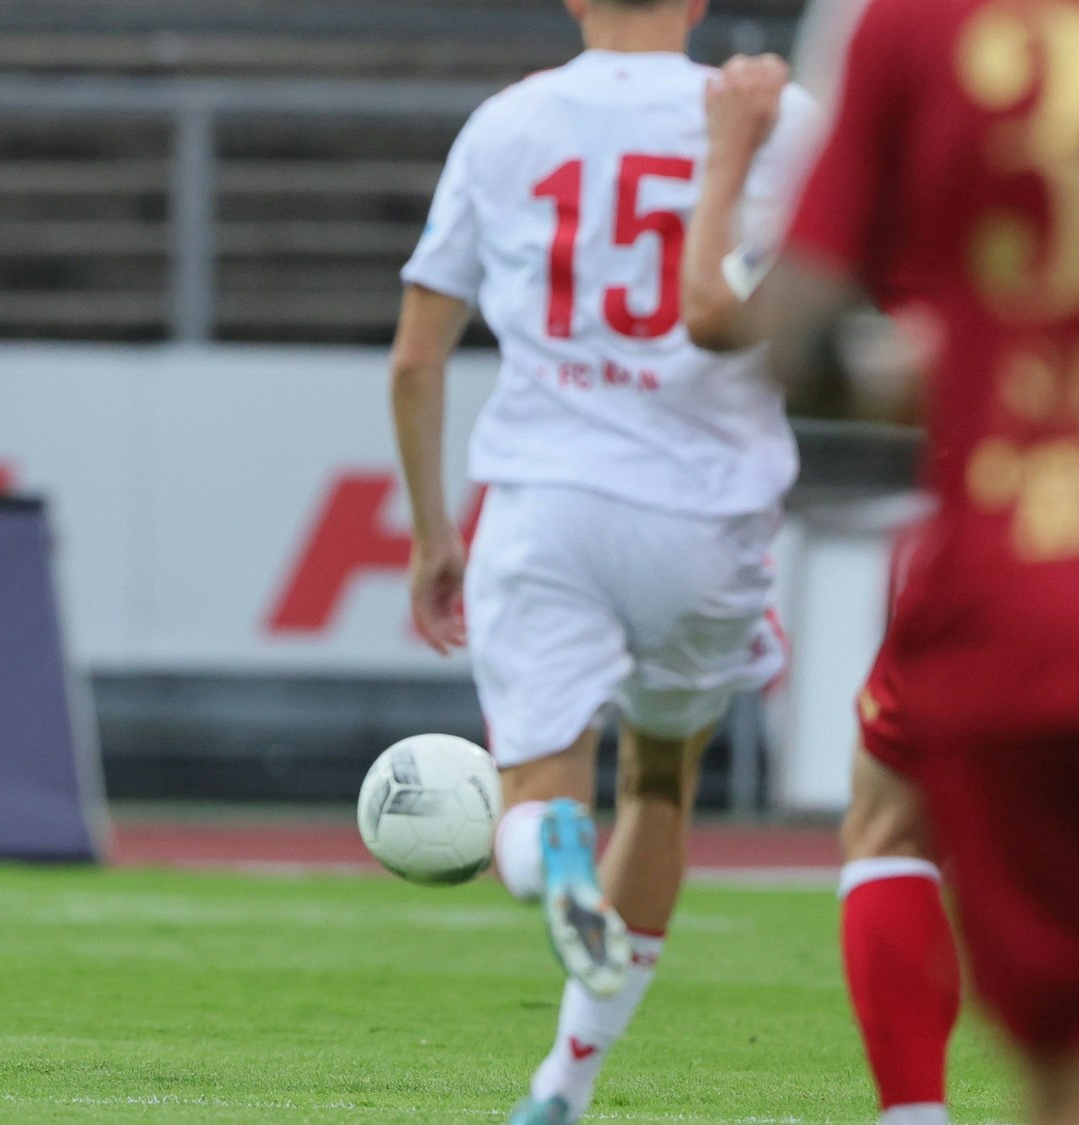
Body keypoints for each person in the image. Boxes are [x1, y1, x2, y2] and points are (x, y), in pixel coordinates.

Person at [388, 0, 816, 1118]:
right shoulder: (775, 112)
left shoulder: (504, 124)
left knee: (521, 812)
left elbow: (413, 358)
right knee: (663, 784)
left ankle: (547, 850)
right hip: (703, 505)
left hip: (545, 497)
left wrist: (435, 530)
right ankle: (565, 1082)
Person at [761, 0, 1079, 1118]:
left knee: (889, 809)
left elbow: (795, 331)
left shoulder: (902, 24)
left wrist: (919, 368)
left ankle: (911, 1114)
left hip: (1018, 568)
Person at [682, 58, 958, 1125]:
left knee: (890, 828)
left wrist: (725, 170)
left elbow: (736, 322)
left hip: (1005, 528)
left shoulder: (924, 54)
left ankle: (914, 1117)